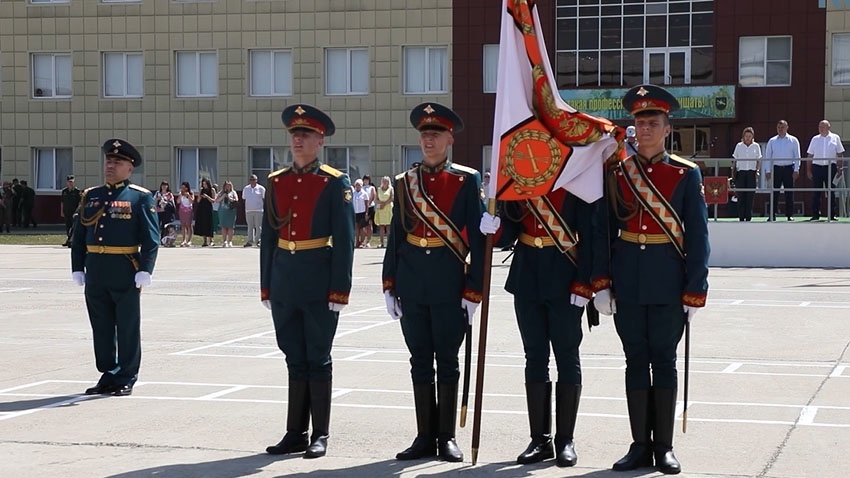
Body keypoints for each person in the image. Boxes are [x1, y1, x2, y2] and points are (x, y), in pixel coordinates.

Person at [593, 85, 710, 475]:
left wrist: (695, 289)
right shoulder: (617, 171)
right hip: (628, 279)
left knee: (664, 361)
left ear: (667, 128)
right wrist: (601, 282)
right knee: (634, 362)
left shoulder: (685, 173)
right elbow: (604, 230)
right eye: (640, 122)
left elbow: (698, 236)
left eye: (653, 123)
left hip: (667, 280)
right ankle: (639, 445)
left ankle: (664, 447)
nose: (645, 129)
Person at [478, 177, 608, 466]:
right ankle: (540, 439)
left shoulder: (576, 178)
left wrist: (584, 283)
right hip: (527, 275)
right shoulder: (520, 180)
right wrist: (494, 228)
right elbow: (510, 231)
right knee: (534, 356)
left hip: (565, 274)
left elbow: (590, 234)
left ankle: (565, 440)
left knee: (567, 356)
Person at [382, 103, 485, 463]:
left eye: (436, 134)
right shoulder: (404, 183)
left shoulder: (466, 180)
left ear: (449, 139)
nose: (429, 140)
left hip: (448, 283)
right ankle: (424, 436)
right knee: (420, 361)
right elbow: (396, 236)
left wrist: (474, 289)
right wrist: (389, 283)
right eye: (424, 134)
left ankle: (447, 436)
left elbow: (479, 242)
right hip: (412, 282)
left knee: (449, 360)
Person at [261, 104, 354, 459]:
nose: (298, 140)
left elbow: (344, 240)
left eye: (305, 134)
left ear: (320, 140)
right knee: (293, 356)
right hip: (285, 279)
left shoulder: (333, 182)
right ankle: (295, 432)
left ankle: (320, 433)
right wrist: (266, 285)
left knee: (318, 356)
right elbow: (269, 238)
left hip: (318, 278)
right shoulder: (276, 181)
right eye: (294, 134)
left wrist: (340, 289)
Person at [70, 138, 159, 397]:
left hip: (125, 268)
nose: (110, 165)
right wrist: (77, 267)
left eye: (117, 162)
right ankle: (109, 372)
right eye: (109, 161)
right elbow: (79, 235)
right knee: (101, 324)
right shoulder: (91, 195)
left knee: (127, 324)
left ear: (130, 168)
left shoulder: (140, 197)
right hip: (96, 268)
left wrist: (145, 269)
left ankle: (127, 375)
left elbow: (151, 238)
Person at [806, 120, 845, 221]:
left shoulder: (835, 138)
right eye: (819, 126)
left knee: (831, 191)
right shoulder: (815, 139)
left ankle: (832, 214)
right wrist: (808, 170)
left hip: (830, 167)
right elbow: (810, 155)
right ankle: (815, 214)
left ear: (828, 127)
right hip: (817, 167)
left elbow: (840, 154)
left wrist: (840, 168)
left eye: (823, 126)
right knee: (816, 192)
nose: (820, 128)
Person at [763, 120, 801, 221]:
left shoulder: (793, 140)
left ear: (787, 127)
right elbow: (768, 156)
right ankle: (772, 214)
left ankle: (789, 215)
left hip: (789, 168)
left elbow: (797, 156)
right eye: (779, 127)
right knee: (774, 192)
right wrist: (767, 170)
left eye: (782, 127)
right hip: (776, 168)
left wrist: (796, 169)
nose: (780, 129)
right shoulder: (772, 141)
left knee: (789, 192)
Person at [731, 127, 762, 222]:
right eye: (746, 136)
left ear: (752, 136)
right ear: (743, 136)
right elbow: (735, 160)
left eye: (749, 136)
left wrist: (757, 171)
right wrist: (733, 172)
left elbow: (759, 160)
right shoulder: (739, 146)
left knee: (750, 196)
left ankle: (748, 217)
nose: (748, 138)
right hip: (741, 173)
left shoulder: (756, 146)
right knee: (741, 196)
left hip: (751, 173)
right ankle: (741, 217)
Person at [243, 174, 265, 247]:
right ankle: (250, 241)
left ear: (256, 180)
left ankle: (258, 241)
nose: (252, 181)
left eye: (254, 180)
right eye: (251, 180)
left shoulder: (261, 188)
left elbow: (264, 198)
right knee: (250, 227)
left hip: (259, 210)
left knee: (258, 227)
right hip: (248, 210)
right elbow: (244, 198)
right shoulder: (246, 188)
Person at [215, 180, 239, 247]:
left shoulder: (233, 192)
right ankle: (225, 241)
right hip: (223, 211)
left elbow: (236, 200)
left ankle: (230, 241)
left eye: (229, 186)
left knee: (230, 226)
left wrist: (229, 198)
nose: (227, 187)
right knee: (223, 226)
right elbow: (216, 200)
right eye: (226, 186)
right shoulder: (221, 193)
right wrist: (223, 196)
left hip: (231, 211)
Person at [60, 175, 82, 246]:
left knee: (73, 227)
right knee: (68, 226)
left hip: (74, 212)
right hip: (66, 211)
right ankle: (68, 240)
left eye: (72, 182)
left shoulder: (77, 191)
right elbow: (62, 202)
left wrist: (77, 211)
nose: (70, 183)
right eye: (69, 182)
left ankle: (71, 241)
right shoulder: (64, 191)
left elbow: (80, 203)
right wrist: (61, 211)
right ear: (67, 182)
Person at [194, 178, 216, 247]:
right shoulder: (202, 190)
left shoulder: (212, 190)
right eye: (203, 184)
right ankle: (205, 241)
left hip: (208, 208)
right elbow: (198, 200)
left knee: (209, 223)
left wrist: (207, 197)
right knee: (203, 223)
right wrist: (200, 193)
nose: (204, 185)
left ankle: (211, 240)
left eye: (205, 184)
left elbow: (213, 200)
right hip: (201, 208)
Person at [374, 175, 394, 248]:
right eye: (383, 181)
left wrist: (384, 204)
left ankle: (389, 243)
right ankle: (382, 243)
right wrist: (380, 203)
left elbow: (392, 198)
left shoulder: (391, 189)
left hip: (388, 208)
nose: (384, 182)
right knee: (381, 226)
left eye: (386, 181)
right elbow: (376, 199)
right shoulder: (379, 189)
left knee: (388, 226)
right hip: (381, 209)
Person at [351, 178, 370, 247]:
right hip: (355, 212)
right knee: (356, 228)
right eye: (356, 185)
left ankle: (362, 242)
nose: (357, 186)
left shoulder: (364, 194)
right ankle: (357, 241)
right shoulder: (353, 193)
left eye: (359, 185)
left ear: (361, 186)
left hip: (362, 212)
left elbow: (367, 204)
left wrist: (366, 213)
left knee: (362, 228)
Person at [177, 181, 195, 246]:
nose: (183, 189)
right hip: (182, 210)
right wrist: (180, 195)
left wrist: (188, 195)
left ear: (187, 188)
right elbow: (178, 202)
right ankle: (183, 240)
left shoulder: (191, 193)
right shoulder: (180, 193)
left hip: (189, 210)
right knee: (183, 225)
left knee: (189, 225)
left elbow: (192, 201)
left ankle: (189, 240)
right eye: (182, 187)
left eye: (184, 187)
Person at [362, 175, 377, 245]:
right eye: (365, 179)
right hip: (363, 208)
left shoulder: (372, 187)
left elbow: (373, 196)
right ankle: (363, 240)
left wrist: (368, 204)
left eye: (367, 180)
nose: (366, 181)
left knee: (369, 224)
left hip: (370, 207)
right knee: (364, 225)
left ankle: (368, 240)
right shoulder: (361, 187)